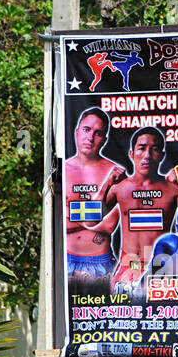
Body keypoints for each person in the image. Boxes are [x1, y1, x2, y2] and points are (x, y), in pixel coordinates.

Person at [85, 127, 178, 296]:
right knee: (121, 319)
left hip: (161, 269)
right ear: (132, 154)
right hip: (128, 269)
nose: (147, 155)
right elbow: (90, 220)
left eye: (154, 149)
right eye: (142, 148)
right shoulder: (120, 187)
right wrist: (107, 184)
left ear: (161, 156)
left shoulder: (173, 188)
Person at [63, 109, 124, 284]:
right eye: (86, 130)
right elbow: (62, 224)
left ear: (104, 139)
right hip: (67, 259)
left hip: (100, 261)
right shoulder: (63, 171)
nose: (90, 137)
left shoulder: (115, 173)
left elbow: (110, 225)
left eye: (98, 133)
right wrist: (94, 217)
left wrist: (73, 214)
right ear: (77, 132)